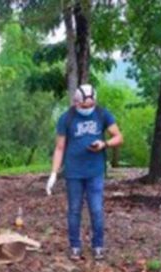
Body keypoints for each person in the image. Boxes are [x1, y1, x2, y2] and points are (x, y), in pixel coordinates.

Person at [46, 84, 123, 261]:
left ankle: (98, 245)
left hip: (95, 171)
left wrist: (105, 144)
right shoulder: (66, 118)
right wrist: (53, 173)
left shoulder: (103, 114)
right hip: (73, 172)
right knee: (74, 210)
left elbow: (118, 137)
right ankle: (75, 246)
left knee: (96, 209)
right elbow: (59, 147)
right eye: (84, 106)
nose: (87, 109)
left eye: (90, 106)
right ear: (76, 103)